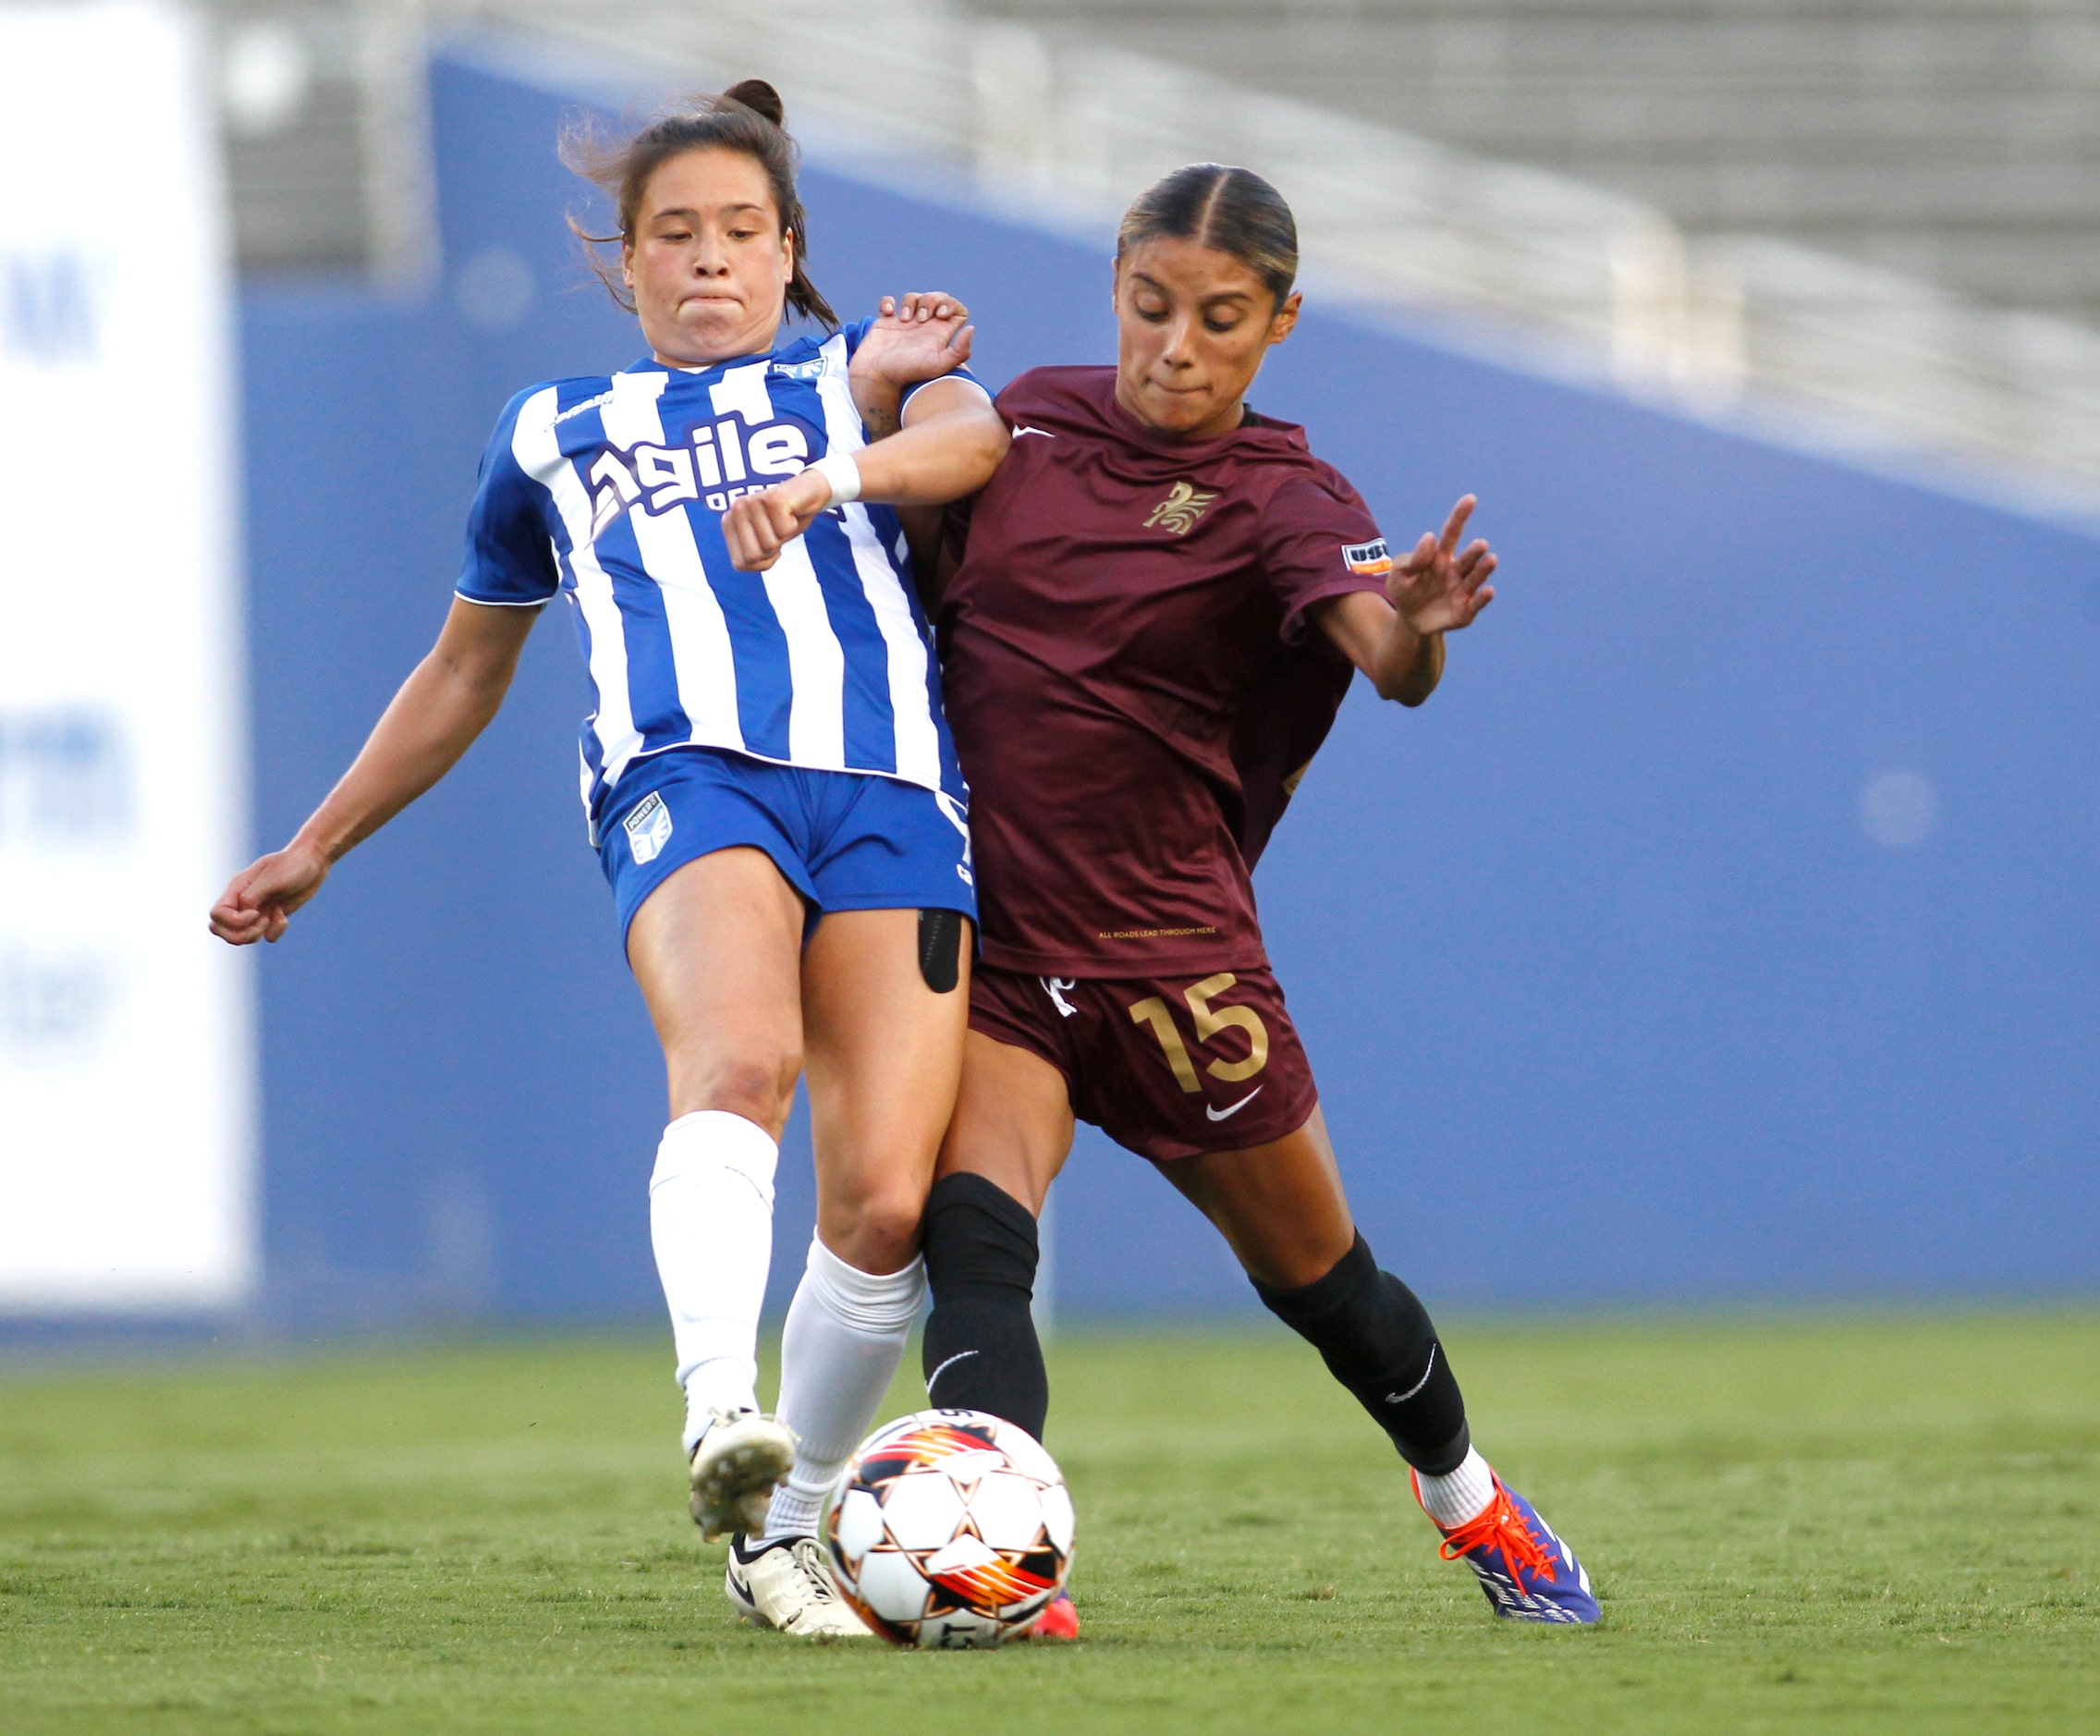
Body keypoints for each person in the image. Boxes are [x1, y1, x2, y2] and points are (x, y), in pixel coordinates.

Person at [734, 163, 1599, 1630]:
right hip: (1005, 951)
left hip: (1178, 968)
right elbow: (917, 539)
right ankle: (998, 1559)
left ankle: (1471, 1502)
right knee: (977, 1243)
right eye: (1150, 306)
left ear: (1280, 323)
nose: (1175, 346)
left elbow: (1383, 655)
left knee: (1326, 1285)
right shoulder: (1037, 417)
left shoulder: (1285, 498)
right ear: (1118, 286)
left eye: (1218, 318)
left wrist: (1422, 629)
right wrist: (876, 413)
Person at [208, 80, 1007, 1638]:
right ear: (624, 267)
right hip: (686, 778)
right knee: (738, 1057)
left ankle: (776, 1525)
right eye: (672, 237)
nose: (707, 261)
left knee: (887, 1206)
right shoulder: (554, 432)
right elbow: (463, 670)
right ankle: (722, 1412)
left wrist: (845, 454)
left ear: (787, 255)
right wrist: (316, 842)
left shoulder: (859, 376)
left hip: (896, 792)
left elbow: (978, 442)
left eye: (738, 233)